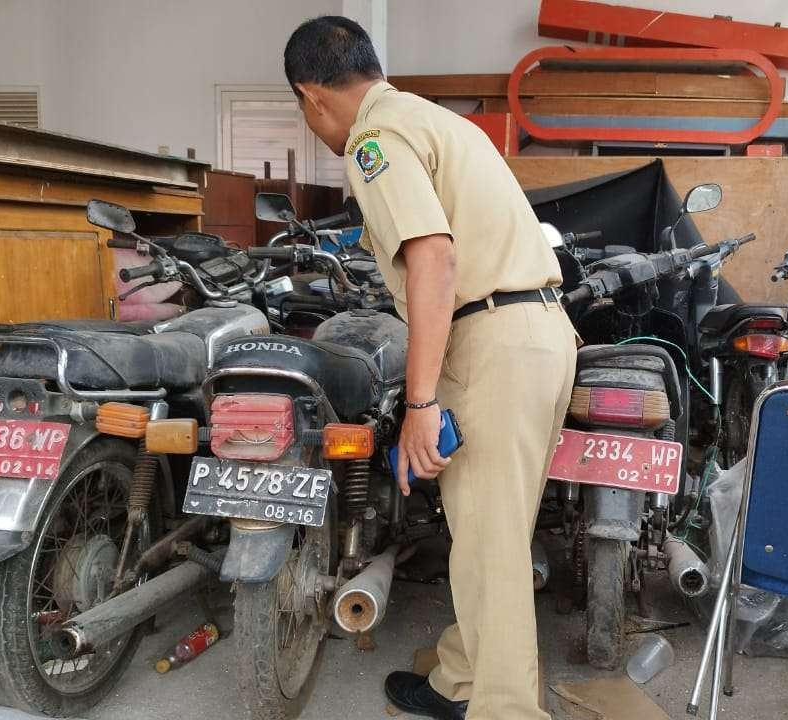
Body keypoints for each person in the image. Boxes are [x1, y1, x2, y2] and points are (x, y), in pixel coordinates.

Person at [284, 15, 577, 720]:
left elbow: (433, 257)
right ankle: (460, 677)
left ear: (311, 96)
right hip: (537, 334)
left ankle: (505, 709)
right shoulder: (432, 120)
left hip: (494, 344)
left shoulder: (374, 140)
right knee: (489, 532)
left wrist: (418, 406)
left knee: (490, 547)